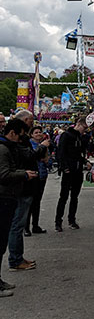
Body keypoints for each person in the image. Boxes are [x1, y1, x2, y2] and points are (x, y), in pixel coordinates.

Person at [8, 110, 49, 271]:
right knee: (17, 224)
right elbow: (28, 157)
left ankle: (18, 257)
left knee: (18, 223)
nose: (33, 123)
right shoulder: (18, 142)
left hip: (26, 184)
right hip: (22, 186)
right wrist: (41, 147)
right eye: (31, 121)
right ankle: (15, 259)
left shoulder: (19, 140)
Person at [0, 118, 38, 289]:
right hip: (4, 197)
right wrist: (23, 175)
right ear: (12, 133)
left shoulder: (9, 147)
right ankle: (14, 261)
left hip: (10, 196)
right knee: (8, 232)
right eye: (19, 136)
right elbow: (4, 174)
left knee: (7, 234)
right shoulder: (4, 149)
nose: (21, 140)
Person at [55, 116, 89, 231]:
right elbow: (61, 152)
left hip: (78, 170)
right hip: (69, 170)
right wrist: (64, 167)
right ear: (79, 124)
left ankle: (71, 219)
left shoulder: (80, 137)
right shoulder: (67, 135)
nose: (85, 130)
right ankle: (58, 222)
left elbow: (79, 153)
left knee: (74, 196)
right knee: (63, 197)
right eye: (84, 127)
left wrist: (84, 161)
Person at [25, 125, 50, 235]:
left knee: (37, 202)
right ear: (31, 135)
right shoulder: (29, 145)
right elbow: (31, 157)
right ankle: (26, 227)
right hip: (32, 176)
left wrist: (46, 159)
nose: (39, 134)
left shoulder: (45, 146)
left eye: (40, 132)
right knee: (29, 203)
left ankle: (35, 225)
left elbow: (48, 161)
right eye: (36, 132)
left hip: (42, 176)